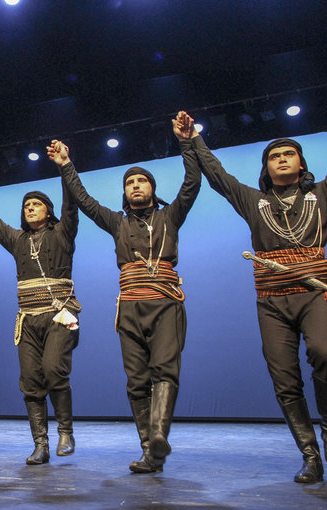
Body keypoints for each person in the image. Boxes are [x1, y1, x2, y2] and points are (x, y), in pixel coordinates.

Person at [185, 75, 327, 483]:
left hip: (315, 293)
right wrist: (193, 138)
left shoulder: (322, 194)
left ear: (301, 163)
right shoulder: (255, 202)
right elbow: (218, 176)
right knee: (283, 376)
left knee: (326, 352)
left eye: (288, 154)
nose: (281, 159)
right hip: (272, 300)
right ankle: (310, 455)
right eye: (274, 156)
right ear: (266, 167)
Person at [48, 113, 201, 473]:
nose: (135, 185)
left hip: (165, 303)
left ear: (152, 188)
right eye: (130, 182)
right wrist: (66, 165)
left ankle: (158, 434)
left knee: (165, 370)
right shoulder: (118, 223)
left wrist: (186, 142)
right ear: (124, 191)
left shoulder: (170, 216)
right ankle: (150, 451)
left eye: (141, 180)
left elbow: (192, 182)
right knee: (136, 381)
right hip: (130, 307)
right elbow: (84, 200)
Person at [0, 160, 80, 465]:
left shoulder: (63, 233)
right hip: (28, 319)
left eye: (36, 204)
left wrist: (64, 168)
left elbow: (71, 205)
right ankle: (40, 444)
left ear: (49, 211)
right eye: (26, 205)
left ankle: (65, 432)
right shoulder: (18, 240)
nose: (30, 208)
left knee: (54, 369)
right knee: (30, 380)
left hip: (58, 314)